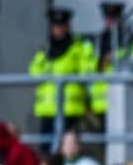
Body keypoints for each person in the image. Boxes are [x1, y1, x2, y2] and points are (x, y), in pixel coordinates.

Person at [28, 8, 95, 141]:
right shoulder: (46, 49)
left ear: (67, 26)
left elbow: (86, 72)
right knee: (47, 150)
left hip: (70, 108)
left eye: (61, 26)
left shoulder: (78, 47)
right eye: (55, 26)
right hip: (47, 108)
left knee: (67, 149)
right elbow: (34, 72)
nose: (58, 30)